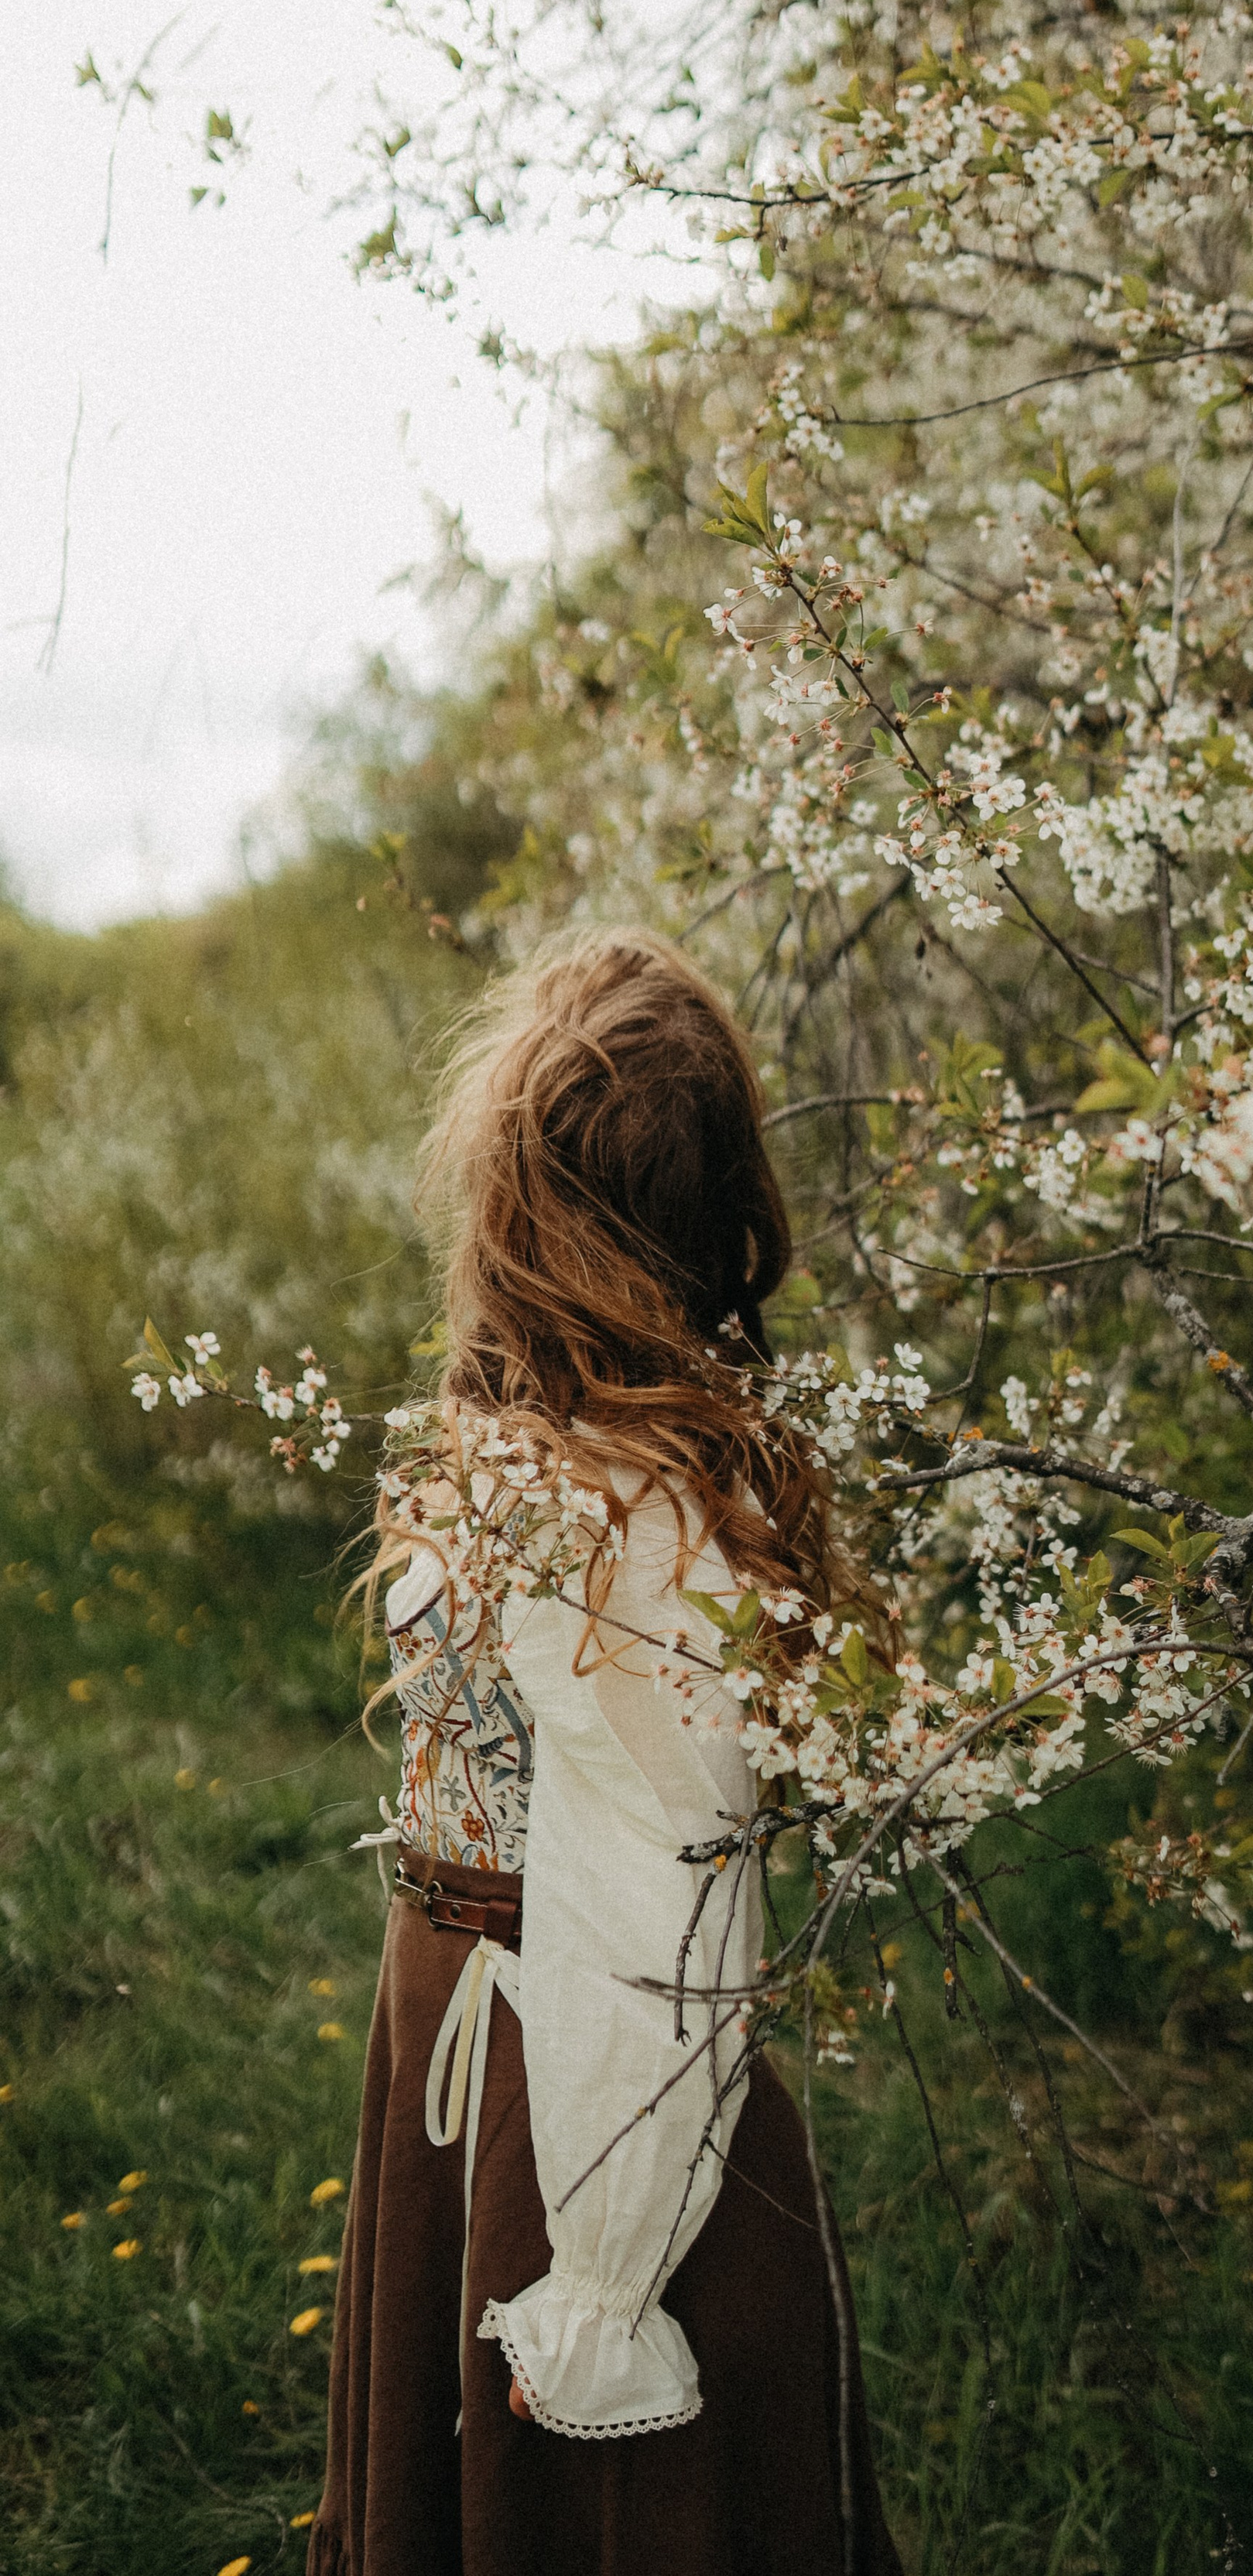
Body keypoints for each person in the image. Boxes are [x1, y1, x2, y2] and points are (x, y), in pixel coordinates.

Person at [308, 928, 901, 2576]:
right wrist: (601, 2287)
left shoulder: (480, 1457)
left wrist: (603, 2273)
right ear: (718, 1209)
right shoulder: (643, 1509)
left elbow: (653, 1891)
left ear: (506, 1203)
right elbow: (655, 1909)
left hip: (525, 2047)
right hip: (557, 2082)